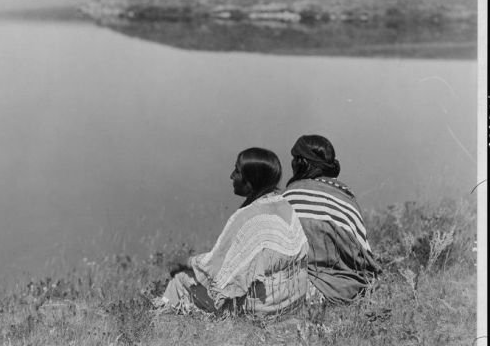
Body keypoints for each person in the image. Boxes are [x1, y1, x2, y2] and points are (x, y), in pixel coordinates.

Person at [157, 147, 309, 318]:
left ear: (250, 180)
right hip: (292, 300)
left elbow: (214, 268)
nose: (231, 176)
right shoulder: (285, 206)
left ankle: (159, 327)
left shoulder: (246, 217)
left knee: (180, 280)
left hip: (262, 308)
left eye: (237, 171)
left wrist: (185, 261)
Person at [282, 135, 378, 304]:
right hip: (349, 290)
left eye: (295, 159)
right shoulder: (347, 199)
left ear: (301, 162)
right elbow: (364, 256)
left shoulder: (290, 197)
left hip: (299, 289)